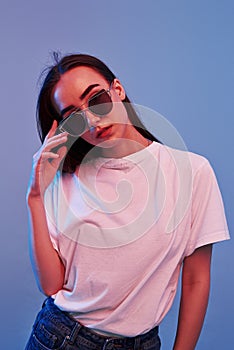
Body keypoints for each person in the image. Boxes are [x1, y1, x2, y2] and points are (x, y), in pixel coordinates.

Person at [25, 52, 229, 350]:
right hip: (61, 338)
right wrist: (34, 196)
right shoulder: (62, 178)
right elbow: (51, 285)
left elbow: (197, 279)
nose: (93, 119)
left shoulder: (192, 173)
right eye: (75, 116)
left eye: (96, 100)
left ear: (117, 90)